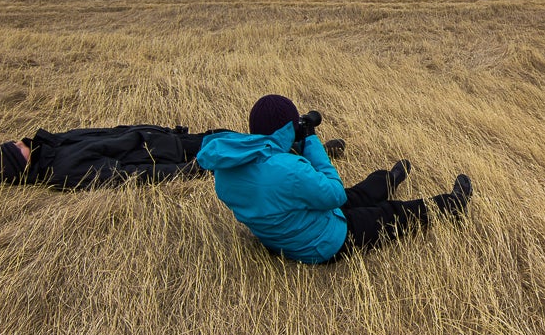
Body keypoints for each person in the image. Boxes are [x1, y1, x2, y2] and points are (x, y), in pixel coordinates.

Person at [197, 94, 473, 264]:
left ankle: (389, 179)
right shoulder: (289, 169)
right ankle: (453, 204)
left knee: (359, 195)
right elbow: (335, 194)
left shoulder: (226, 166)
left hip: (283, 231)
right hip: (323, 243)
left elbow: (274, 188)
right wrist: (312, 142)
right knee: (390, 214)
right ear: (286, 131)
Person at [0, 123, 347, 191]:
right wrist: (186, 170)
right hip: (163, 155)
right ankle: (307, 150)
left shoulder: (52, 148)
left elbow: (111, 134)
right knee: (232, 152)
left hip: (162, 141)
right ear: (18, 163)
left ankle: (298, 146)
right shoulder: (61, 170)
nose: (18, 142)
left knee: (226, 138)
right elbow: (124, 174)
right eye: (13, 149)